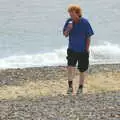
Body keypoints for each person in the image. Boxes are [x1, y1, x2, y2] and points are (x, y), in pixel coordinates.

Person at [63, 4, 94, 95]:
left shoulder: (85, 22)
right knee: (70, 68)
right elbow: (65, 34)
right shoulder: (69, 22)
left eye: (72, 14)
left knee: (82, 70)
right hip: (72, 49)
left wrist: (87, 49)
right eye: (70, 14)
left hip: (83, 51)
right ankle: (70, 87)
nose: (71, 16)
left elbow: (88, 37)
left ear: (78, 13)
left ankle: (80, 87)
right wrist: (69, 28)